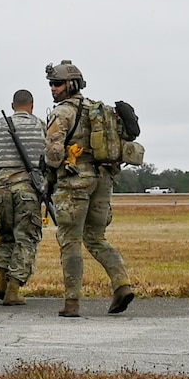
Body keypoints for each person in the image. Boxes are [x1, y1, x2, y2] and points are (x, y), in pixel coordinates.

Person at [43, 61, 136, 318]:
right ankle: (122, 284)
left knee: (70, 239)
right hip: (103, 179)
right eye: (51, 83)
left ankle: (72, 302)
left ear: (71, 84)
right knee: (96, 238)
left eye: (58, 83)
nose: (53, 88)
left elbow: (53, 152)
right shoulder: (98, 110)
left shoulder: (63, 113)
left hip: (75, 181)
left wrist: (50, 172)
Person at [0, 90, 48, 306]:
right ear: (32, 106)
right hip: (27, 191)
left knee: (6, 235)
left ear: (12, 105)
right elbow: (51, 161)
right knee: (26, 238)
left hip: (0, 190)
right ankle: (13, 289)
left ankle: (0, 282)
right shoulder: (41, 127)